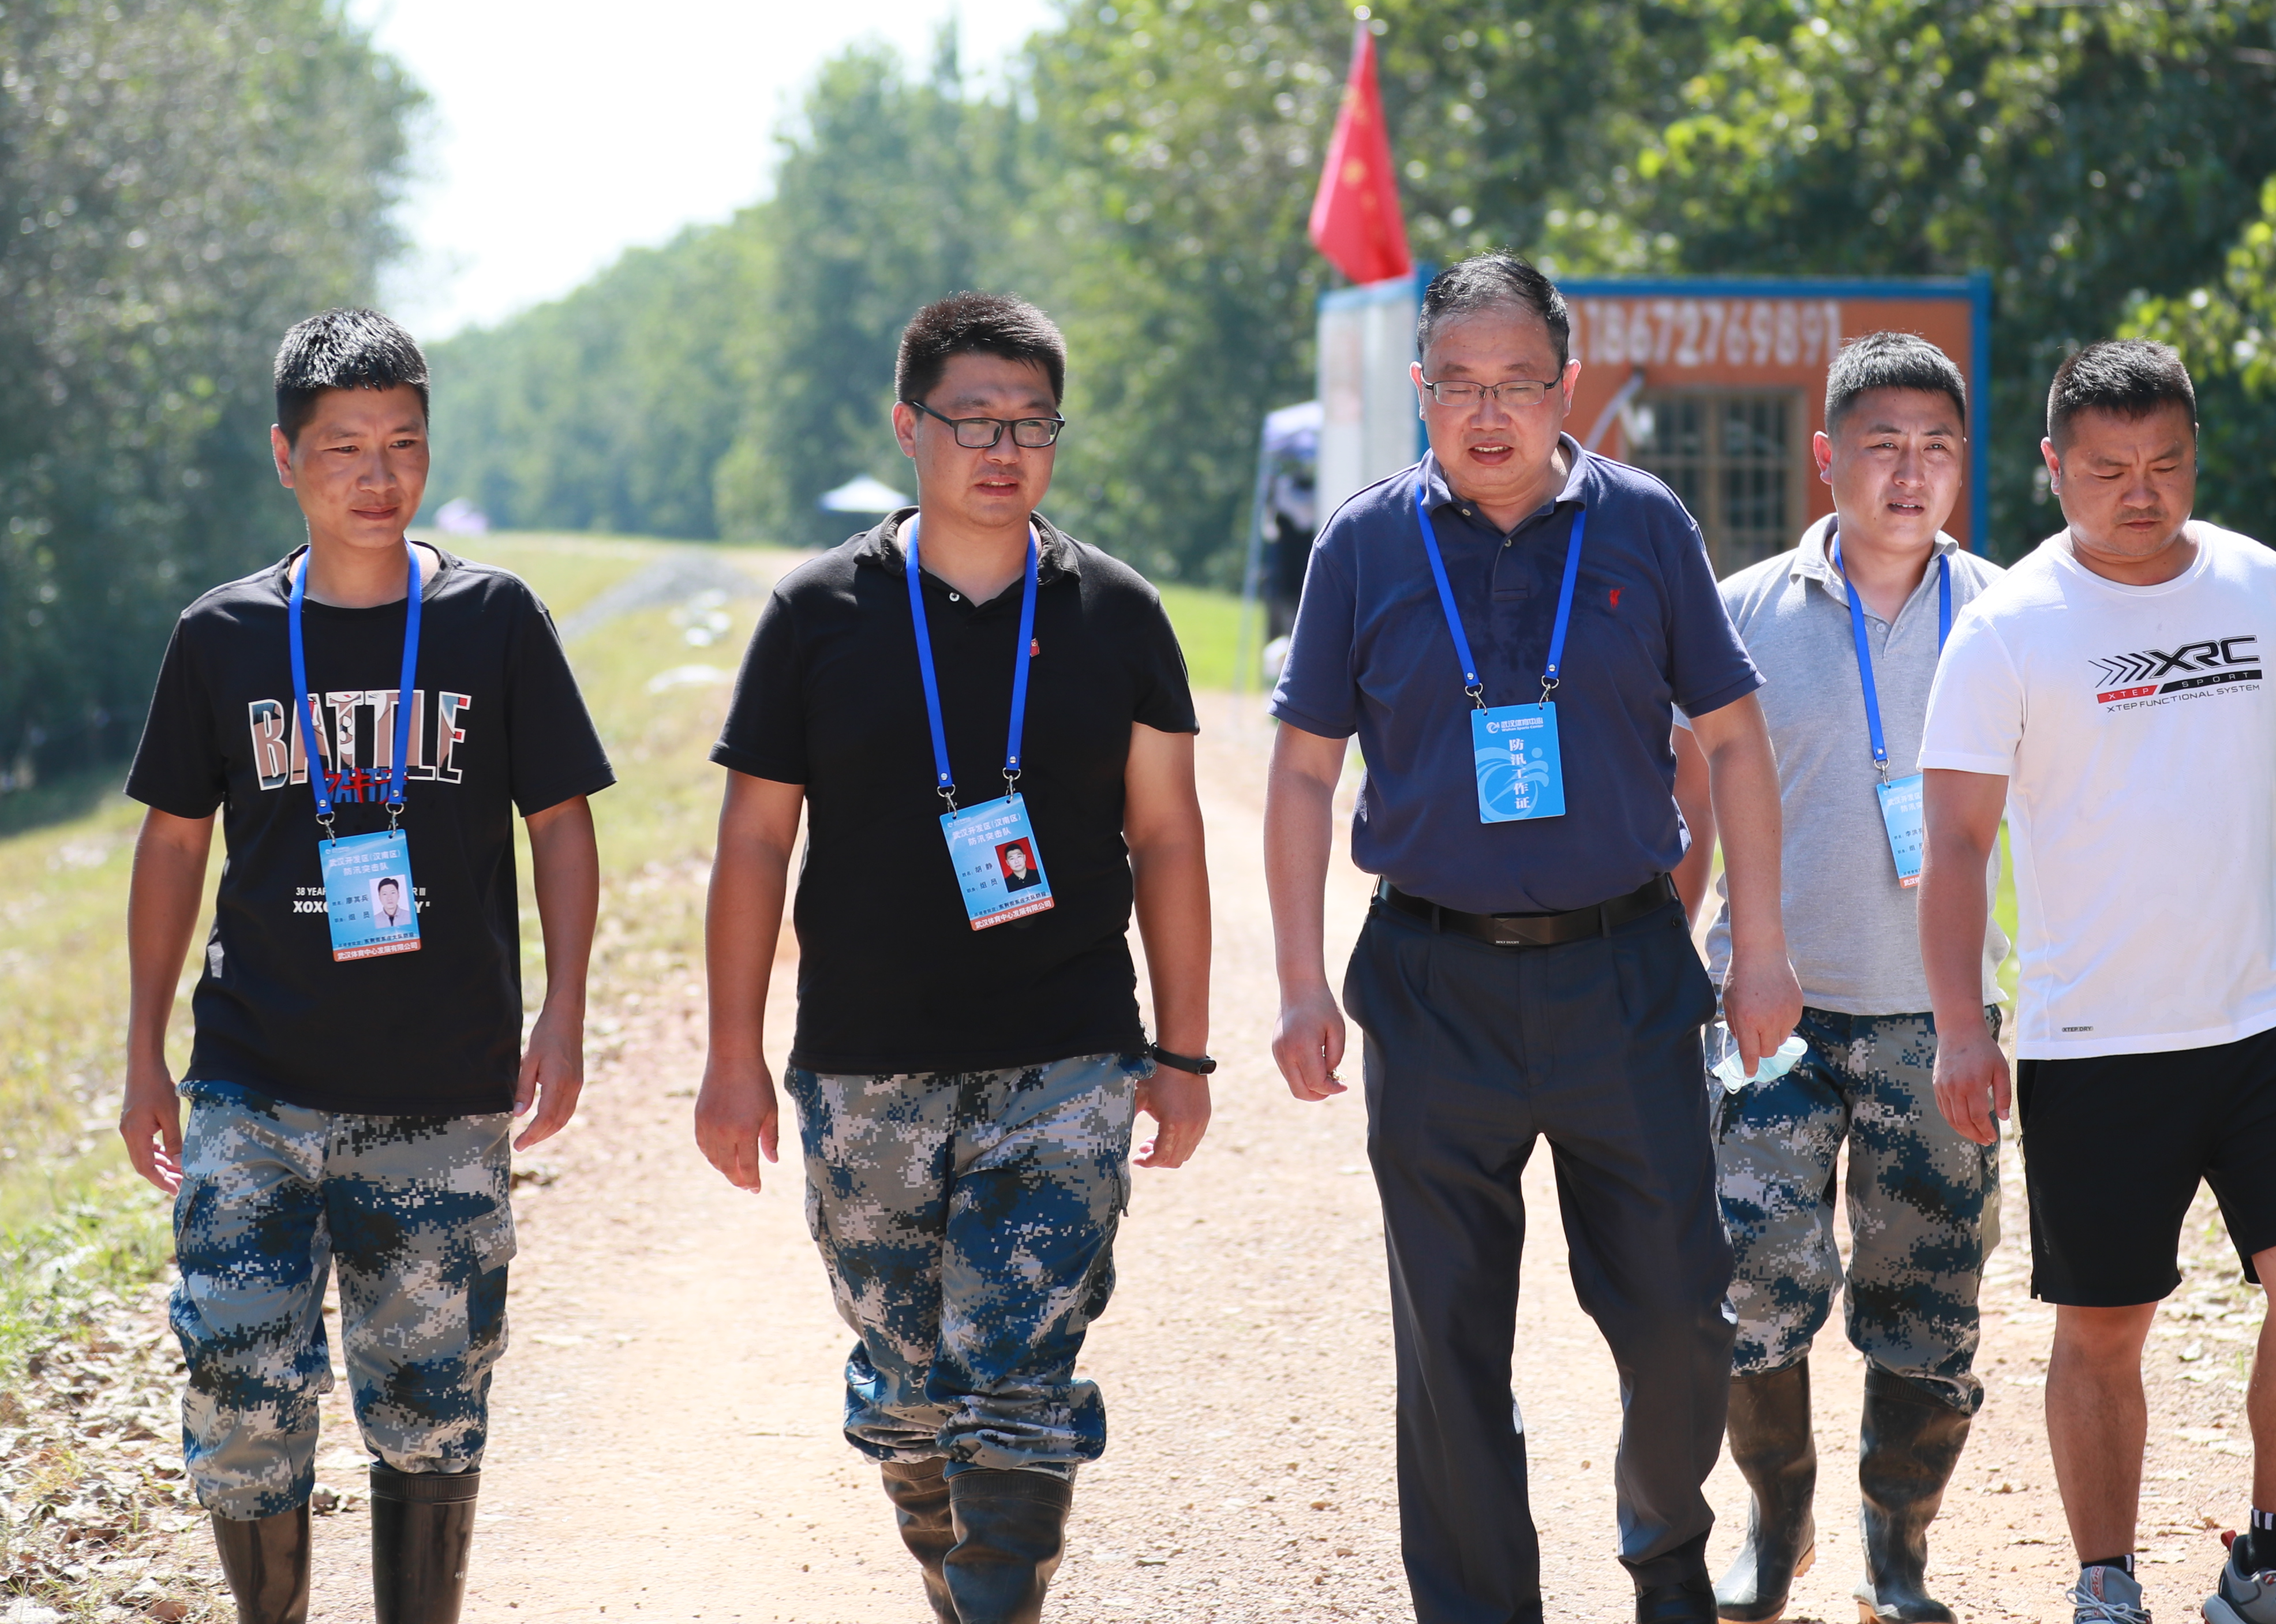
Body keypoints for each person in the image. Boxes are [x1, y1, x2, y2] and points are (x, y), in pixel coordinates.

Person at [1265, 253, 1802, 1624]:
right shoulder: (1366, 543)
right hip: (1432, 979)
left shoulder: (1645, 525)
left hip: (1625, 970)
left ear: (1566, 386)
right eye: (1459, 384)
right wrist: (1297, 981)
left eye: (1517, 383)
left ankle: (1662, 1548)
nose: (1488, 412)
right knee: (1447, 1341)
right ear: (1419, 388)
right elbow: (1305, 772)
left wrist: (1758, 946)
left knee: (1684, 1309)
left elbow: (1734, 741)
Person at [694, 292, 1215, 1624]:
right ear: (907, 427)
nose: (1004, 449)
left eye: (1032, 424)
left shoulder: (1117, 610)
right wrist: (732, 1060)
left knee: (1022, 1378)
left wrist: (1185, 1052)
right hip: (866, 1066)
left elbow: (1165, 836)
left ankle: (997, 1599)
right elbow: (755, 843)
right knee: (910, 1390)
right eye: (973, 421)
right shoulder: (819, 613)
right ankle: (959, 1568)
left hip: (1068, 1056)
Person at [118, 309, 612, 1624]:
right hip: (251, 1084)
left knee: (433, 1403)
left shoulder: (492, 620)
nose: (377, 475)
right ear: (287, 459)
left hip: (441, 1088)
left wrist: (564, 1013)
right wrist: (141, 1055)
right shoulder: (221, 634)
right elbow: (171, 850)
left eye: (403, 442)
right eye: (343, 447)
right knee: (238, 1388)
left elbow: (560, 823)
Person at [1917, 339, 2276, 1624]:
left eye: (2166, 463)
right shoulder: (2010, 627)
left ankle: (2274, 1555)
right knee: (2105, 1330)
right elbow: (1953, 841)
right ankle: (2107, 1579)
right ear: (2054, 466)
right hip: (2096, 1039)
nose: (2141, 491)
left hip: (2267, 1019)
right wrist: (1965, 1024)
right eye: (2109, 469)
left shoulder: (2262, 587)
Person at [1663, 331, 2008, 1624]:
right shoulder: (1740, 614)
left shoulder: (2008, 612)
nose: (1910, 475)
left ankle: (1899, 1549)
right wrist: (1668, 967)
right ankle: (1778, 1516)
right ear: (1827, 460)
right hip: (1770, 1013)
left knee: (1929, 1292)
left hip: (1940, 1018)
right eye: (1882, 446)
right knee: (1750, 1284)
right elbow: (1690, 808)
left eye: (1936, 449)